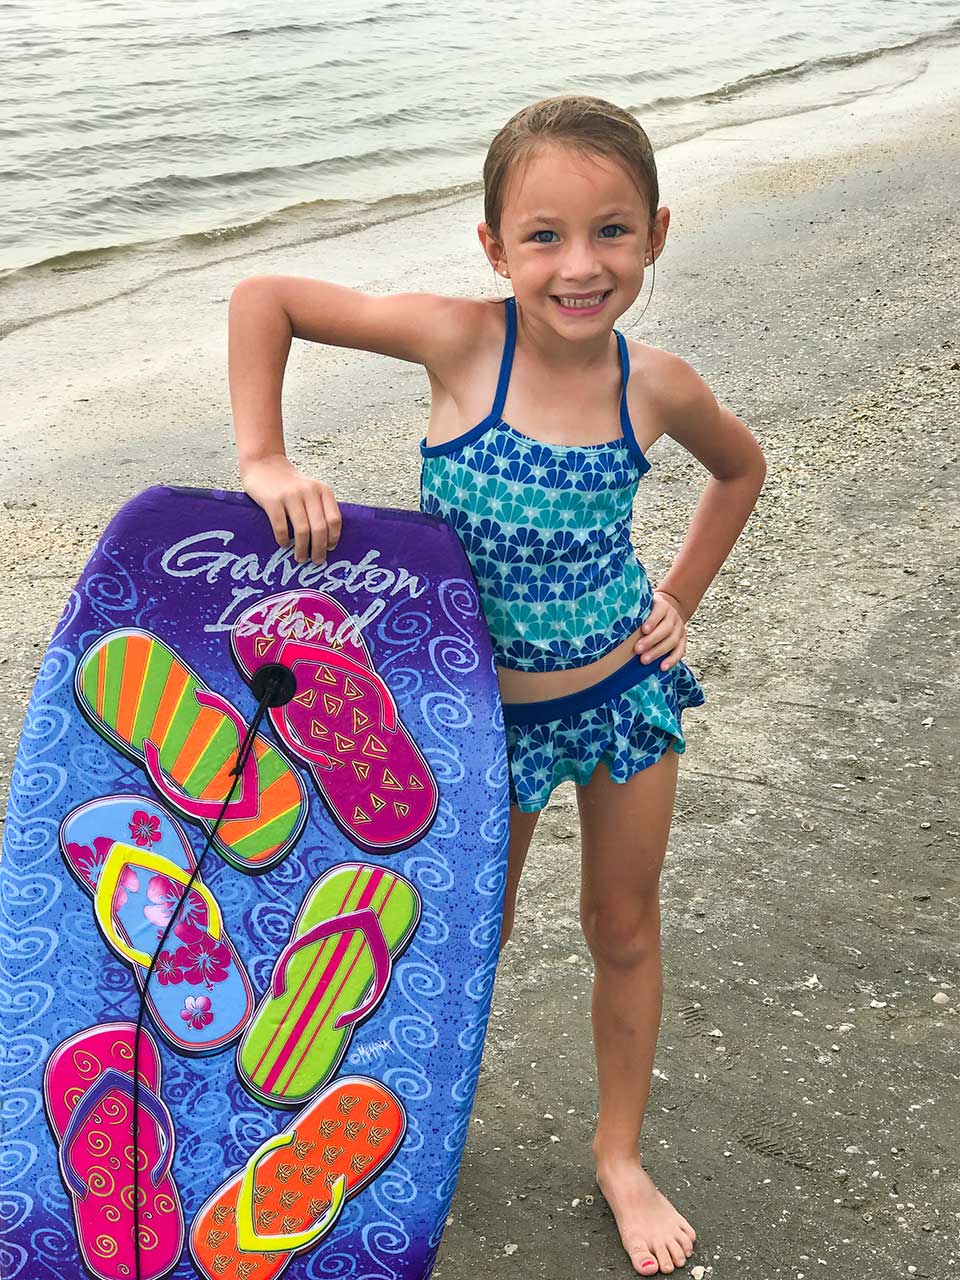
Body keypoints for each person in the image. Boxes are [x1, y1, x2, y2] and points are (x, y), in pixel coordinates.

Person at [228, 94, 766, 1277]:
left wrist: (679, 594)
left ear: (658, 233)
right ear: (494, 246)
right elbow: (263, 299)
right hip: (476, 723)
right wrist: (264, 456)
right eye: (546, 235)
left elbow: (741, 467)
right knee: (466, 933)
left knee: (620, 924)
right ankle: (407, 1131)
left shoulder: (657, 383)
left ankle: (619, 1153)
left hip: (622, 698)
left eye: (614, 231)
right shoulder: (462, 341)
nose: (581, 265)